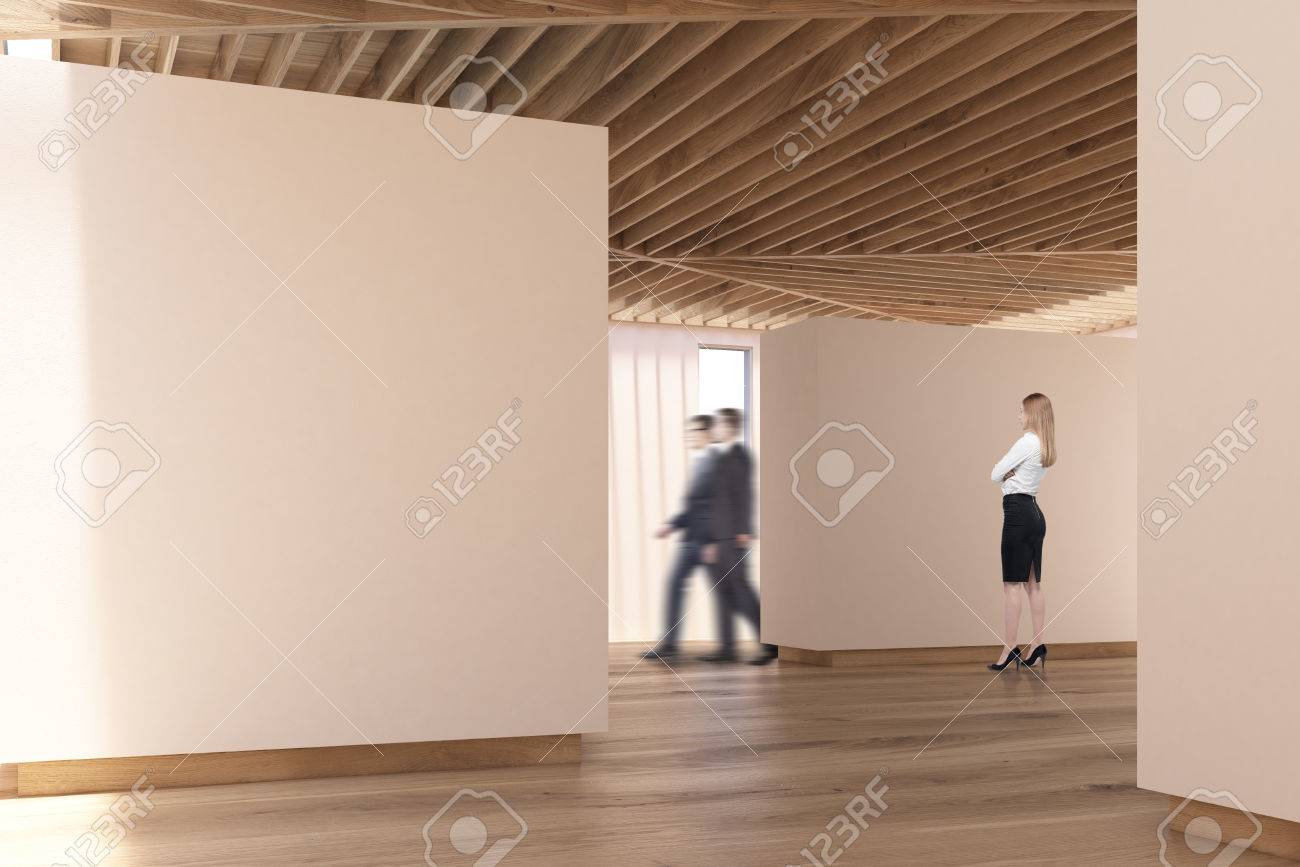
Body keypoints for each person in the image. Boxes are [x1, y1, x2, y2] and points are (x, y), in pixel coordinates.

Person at [704, 408, 778, 666]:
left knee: (741, 589)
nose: (714, 429)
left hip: (735, 536)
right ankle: (727, 648)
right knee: (722, 591)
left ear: (730, 427)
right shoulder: (719, 458)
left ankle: (770, 644)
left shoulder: (740, 456)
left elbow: (745, 493)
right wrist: (711, 540)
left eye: (718, 424)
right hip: (719, 536)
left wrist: (744, 530)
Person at [987, 393, 1056, 672]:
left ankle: (1010, 648)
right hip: (1035, 514)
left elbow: (995, 473)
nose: (1019, 415)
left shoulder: (1027, 442)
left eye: (1021, 411)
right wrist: (1011, 474)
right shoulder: (1044, 445)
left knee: (1012, 585)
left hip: (1018, 514)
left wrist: (1008, 474)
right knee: (1033, 584)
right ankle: (1037, 645)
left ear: (1032, 414)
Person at [642, 415, 718, 661]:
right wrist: (672, 525)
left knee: (730, 592)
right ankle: (670, 644)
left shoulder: (718, 464)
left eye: (694, 431)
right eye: (688, 431)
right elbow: (694, 508)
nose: (689, 436)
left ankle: (768, 640)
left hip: (708, 542)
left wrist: (713, 541)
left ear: (708, 433)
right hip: (690, 539)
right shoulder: (699, 463)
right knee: (674, 584)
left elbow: (721, 506)